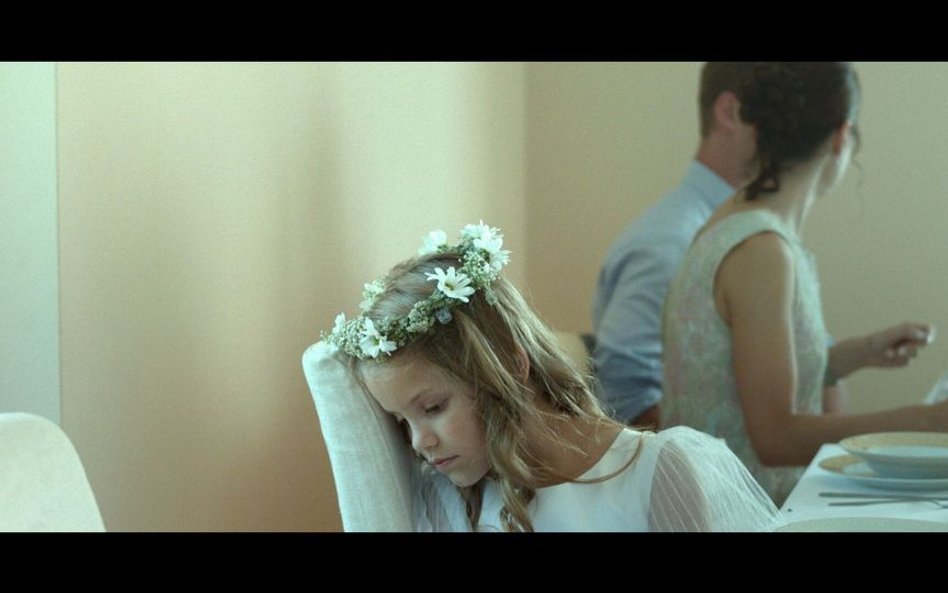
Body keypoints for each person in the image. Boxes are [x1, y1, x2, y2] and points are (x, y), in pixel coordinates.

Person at [324, 222, 783, 532]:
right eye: (401, 422)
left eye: (433, 407)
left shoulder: (653, 473)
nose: (419, 441)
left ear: (512, 365)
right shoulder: (452, 503)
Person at [661, 62, 947, 505]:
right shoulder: (761, 251)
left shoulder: (735, 225)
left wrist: (859, 352)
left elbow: (740, 379)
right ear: (841, 136)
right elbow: (776, 438)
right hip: (742, 515)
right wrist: (927, 423)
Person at [591, 63, 761, 429]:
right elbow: (626, 396)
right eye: (782, 114)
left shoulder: (740, 231)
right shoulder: (672, 244)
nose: (797, 135)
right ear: (731, 112)